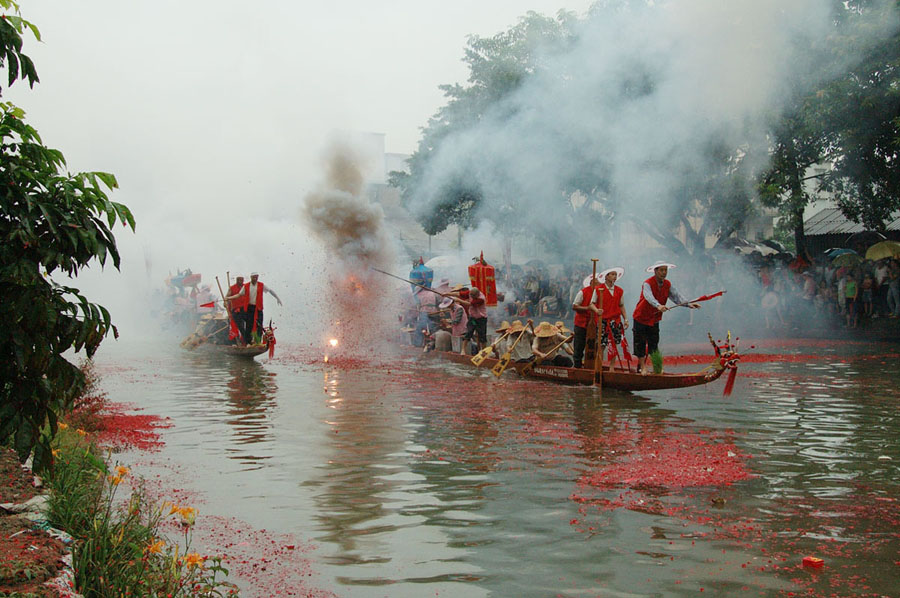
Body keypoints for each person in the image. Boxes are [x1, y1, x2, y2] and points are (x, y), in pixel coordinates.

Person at [632, 261, 699, 374]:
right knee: (640, 343)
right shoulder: (647, 283)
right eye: (661, 270)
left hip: (654, 319)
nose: (664, 273)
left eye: (665, 270)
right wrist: (658, 305)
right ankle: (642, 367)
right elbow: (649, 297)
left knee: (654, 343)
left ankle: (657, 368)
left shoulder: (667, 284)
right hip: (641, 317)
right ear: (655, 271)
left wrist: (688, 304)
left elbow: (676, 297)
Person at [226, 272, 282, 344]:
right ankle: (248, 342)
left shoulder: (261, 285)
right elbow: (239, 295)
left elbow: (270, 291)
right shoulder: (246, 286)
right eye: (253, 277)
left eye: (256, 277)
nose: (255, 279)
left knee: (259, 325)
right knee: (249, 326)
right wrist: (228, 298)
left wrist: (277, 298)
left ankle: (257, 341)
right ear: (251, 277)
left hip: (258, 308)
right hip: (249, 308)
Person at [593, 267, 628, 367]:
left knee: (613, 345)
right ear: (606, 276)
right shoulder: (599, 289)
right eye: (612, 274)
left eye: (615, 275)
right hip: (602, 320)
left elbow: (621, 305)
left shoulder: (619, 290)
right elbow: (592, 303)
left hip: (615, 320)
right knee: (601, 345)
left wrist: (625, 319)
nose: (614, 277)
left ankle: (611, 367)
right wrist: (596, 310)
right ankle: (598, 367)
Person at [571, 274, 603, 369]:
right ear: (591, 283)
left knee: (594, 346)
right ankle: (577, 366)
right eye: (597, 282)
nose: (599, 284)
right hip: (581, 323)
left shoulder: (601, 292)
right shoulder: (583, 292)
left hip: (596, 324)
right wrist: (587, 308)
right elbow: (574, 306)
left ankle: (592, 365)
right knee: (579, 346)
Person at [454, 287, 488, 355]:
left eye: (472, 296)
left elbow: (470, 304)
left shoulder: (481, 299)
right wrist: (447, 294)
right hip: (472, 318)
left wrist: (458, 300)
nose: (471, 297)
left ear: (477, 295)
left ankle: (483, 352)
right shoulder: (470, 293)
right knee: (468, 333)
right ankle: (463, 350)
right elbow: (459, 294)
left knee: (482, 336)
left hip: (481, 319)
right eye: (470, 295)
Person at [226, 275, 247, 345]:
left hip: (244, 310)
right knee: (237, 326)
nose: (241, 282)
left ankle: (245, 341)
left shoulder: (246, 287)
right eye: (239, 280)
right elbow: (227, 298)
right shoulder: (232, 288)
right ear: (237, 281)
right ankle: (236, 341)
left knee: (246, 325)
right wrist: (225, 303)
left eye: (242, 280)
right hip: (235, 310)